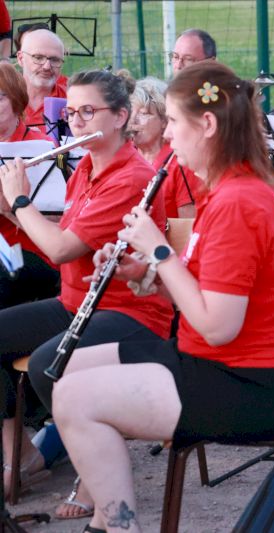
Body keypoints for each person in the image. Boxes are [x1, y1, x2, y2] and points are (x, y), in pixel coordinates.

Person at [48, 61, 274, 533]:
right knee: (71, 368)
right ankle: (107, 516)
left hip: (254, 384)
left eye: (172, 121)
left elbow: (219, 326)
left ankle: (116, 526)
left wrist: (160, 251)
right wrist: (147, 273)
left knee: (73, 398)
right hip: (219, 362)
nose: (166, 135)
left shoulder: (238, 203)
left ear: (207, 124)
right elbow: (205, 288)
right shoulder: (224, 191)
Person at [0, 69, 174, 504]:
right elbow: (61, 240)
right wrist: (10, 210)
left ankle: (97, 471)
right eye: (71, 112)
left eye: (87, 112)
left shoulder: (130, 178)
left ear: (120, 116)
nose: (75, 122)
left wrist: (20, 202)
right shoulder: (85, 169)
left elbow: (60, 249)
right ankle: (23, 457)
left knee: (47, 364)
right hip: (75, 302)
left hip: (129, 312)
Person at [0, 62, 60, 308]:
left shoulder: (41, 148)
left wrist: (11, 208)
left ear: (16, 100)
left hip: (33, 253)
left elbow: (58, 222)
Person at [129, 76, 203, 217]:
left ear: (164, 120)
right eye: (131, 112)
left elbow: (188, 222)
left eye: (143, 113)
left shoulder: (180, 161)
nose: (133, 120)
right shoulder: (126, 155)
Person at [17, 29, 67, 129]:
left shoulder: (73, 100)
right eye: (38, 58)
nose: (47, 67)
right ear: (21, 58)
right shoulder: (5, 97)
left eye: (55, 60)